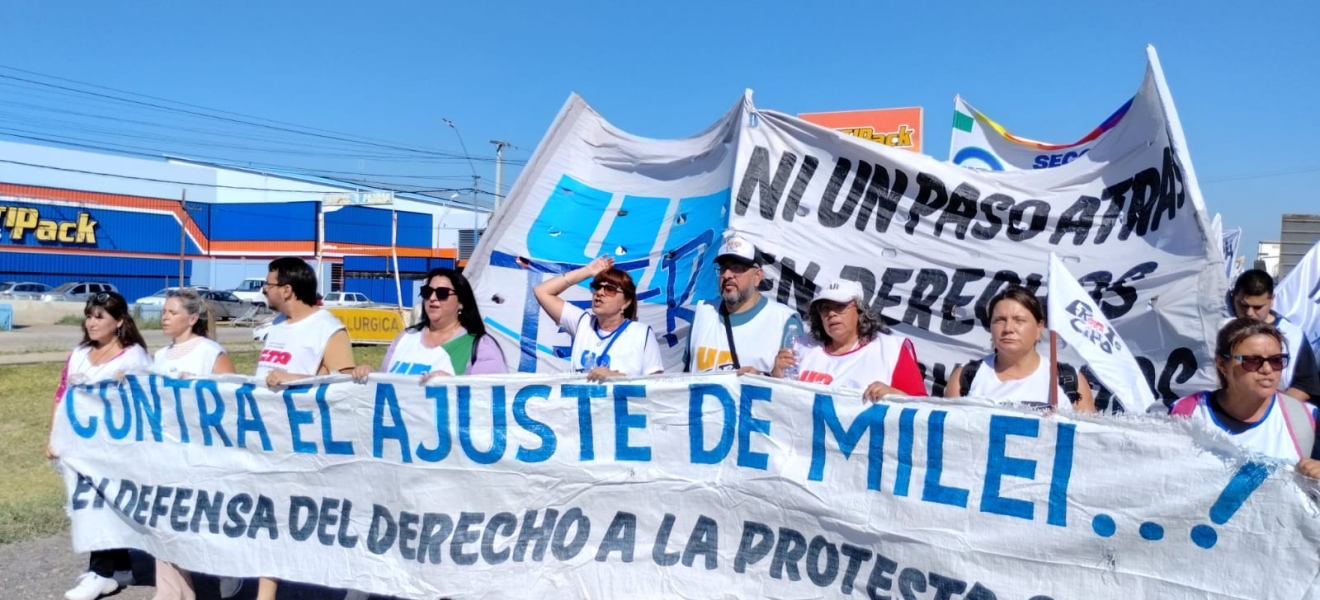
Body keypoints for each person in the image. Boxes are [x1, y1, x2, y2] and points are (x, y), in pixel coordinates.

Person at [253, 257, 359, 600]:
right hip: (270, 439)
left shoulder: (328, 327)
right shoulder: (278, 325)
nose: (263, 290)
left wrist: (294, 380)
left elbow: (345, 382)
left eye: (268, 285)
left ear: (287, 289)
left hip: (308, 445)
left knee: (313, 523)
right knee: (270, 520)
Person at [49, 292, 151, 600]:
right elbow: (62, 394)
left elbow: (145, 402)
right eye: (89, 315)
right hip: (79, 446)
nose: (91, 323)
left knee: (98, 507)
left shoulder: (134, 357)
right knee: (93, 506)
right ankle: (119, 567)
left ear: (118, 322)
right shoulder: (80, 352)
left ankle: (100, 572)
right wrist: (54, 436)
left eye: (99, 317)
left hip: (114, 450)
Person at [149, 289, 235, 600]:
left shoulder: (210, 352)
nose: (165, 317)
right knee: (165, 524)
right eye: (164, 311)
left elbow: (232, 399)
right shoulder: (159, 357)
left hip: (203, 454)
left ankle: (226, 573)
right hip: (168, 453)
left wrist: (199, 387)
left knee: (200, 527)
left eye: (172, 312)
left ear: (192, 318)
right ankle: (173, 593)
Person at [1171, 318, 1320, 477]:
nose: (1267, 369)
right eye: (1252, 361)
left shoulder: (1306, 418)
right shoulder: (1186, 413)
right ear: (1222, 364)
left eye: (1276, 360)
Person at [944, 286, 1097, 412]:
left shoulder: (1069, 380)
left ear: (1039, 328)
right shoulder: (964, 378)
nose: (1008, 328)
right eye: (999, 320)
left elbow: (1090, 444)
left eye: (1019, 320)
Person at [774, 280, 926, 400]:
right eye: (825, 308)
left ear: (860, 310)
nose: (832, 313)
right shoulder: (801, 346)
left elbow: (923, 408)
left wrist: (894, 395)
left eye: (840, 306)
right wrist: (775, 376)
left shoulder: (891, 350)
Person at [356, 268, 506, 381]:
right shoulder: (405, 338)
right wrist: (370, 376)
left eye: (442, 293)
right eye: (427, 292)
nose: (433, 298)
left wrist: (453, 386)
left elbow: (490, 402)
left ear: (461, 302)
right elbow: (384, 386)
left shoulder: (481, 347)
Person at [685, 232, 803, 374]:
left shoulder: (785, 322)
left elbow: (794, 389)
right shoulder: (702, 312)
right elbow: (685, 376)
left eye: (737, 268)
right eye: (723, 268)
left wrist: (762, 379)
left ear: (757, 276)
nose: (727, 275)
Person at [533, 255, 663, 380]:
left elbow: (657, 385)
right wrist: (587, 271)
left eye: (610, 290)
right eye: (597, 287)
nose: (600, 293)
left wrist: (618, 378)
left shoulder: (641, 333)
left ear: (626, 302)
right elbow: (542, 291)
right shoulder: (583, 323)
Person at [1230, 269, 1320, 402]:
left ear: (1271, 300)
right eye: (1243, 305)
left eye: (1257, 307)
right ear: (1234, 297)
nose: (1249, 313)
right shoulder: (1219, 329)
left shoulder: (1294, 337)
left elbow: (1305, 386)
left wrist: (1270, 407)